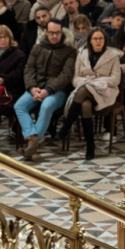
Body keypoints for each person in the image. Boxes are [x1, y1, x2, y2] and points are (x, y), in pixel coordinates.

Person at [55, 27, 122, 160]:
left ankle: (66, 127)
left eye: (101, 38)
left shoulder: (113, 56)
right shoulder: (82, 54)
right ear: (90, 41)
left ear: (105, 40)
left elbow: (115, 79)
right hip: (86, 90)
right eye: (95, 38)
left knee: (83, 90)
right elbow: (75, 78)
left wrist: (97, 81)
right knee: (85, 105)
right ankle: (90, 147)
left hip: (105, 91)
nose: (98, 41)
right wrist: (87, 82)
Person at [14, 20, 77, 161]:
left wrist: (48, 90)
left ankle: (32, 143)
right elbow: (29, 69)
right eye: (52, 33)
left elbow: (66, 75)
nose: (54, 36)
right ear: (46, 32)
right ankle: (33, 140)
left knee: (46, 105)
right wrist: (32, 88)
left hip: (57, 90)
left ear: (62, 32)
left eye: (57, 33)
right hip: (36, 88)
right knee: (19, 105)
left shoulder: (69, 51)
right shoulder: (37, 48)